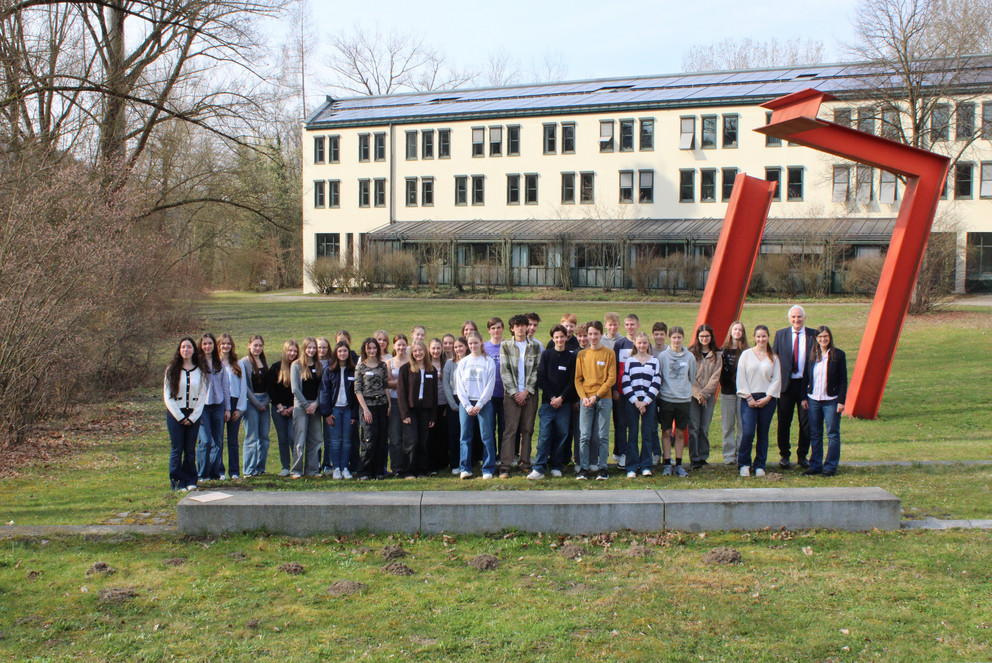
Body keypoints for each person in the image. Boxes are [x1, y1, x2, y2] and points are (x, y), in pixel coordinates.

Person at [529, 325, 577, 479]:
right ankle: (539, 467)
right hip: (547, 404)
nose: (559, 340)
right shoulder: (547, 355)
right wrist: (552, 398)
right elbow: (541, 378)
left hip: (564, 404)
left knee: (562, 434)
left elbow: (572, 381)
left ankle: (556, 465)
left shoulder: (570, 357)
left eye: (562, 337)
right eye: (556, 337)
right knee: (544, 435)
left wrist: (561, 398)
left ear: (566, 337)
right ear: (552, 338)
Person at [772, 305, 816, 469]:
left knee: (806, 423)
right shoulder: (781, 335)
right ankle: (784, 455)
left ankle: (802, 455)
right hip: (786, 386)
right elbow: (774, 360)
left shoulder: (813, 335)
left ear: (804, 318)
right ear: (789, 319)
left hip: (805, 385)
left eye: (799, 317)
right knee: (784, 422)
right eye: (793, 317)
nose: (796, 320)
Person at [498, 314, 541, 478]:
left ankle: (525, 463)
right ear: (512, 328)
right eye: (518, 325)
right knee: (510, 430)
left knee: (527, 430)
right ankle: (505, 465)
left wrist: (526, 391)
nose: (522, 328)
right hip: (511, 395)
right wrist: (516, 392)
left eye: (524, 325)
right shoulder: (506, 346)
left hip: (530, 394)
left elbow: (537, 370)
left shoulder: (535, 346)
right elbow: (505, 371)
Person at [736, 325, 782, 477]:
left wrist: (768, 398)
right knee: (748, 433)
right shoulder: (746, 355)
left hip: (767, 400)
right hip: (748, 398)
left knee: (763, 433)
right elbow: (741, 377)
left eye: (764, 336)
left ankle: (760, 465)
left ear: (768, 337)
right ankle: (744, 464)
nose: (761, 339)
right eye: (758, 336)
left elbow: (776, 379)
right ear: (754, 338)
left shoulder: (773, 357)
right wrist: (749, 397)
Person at [574, 320, 616, 480]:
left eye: (595, 334)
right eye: (589, 334)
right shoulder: (582, 354)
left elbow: (611, 378)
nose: (592, 337)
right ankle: (583, 468)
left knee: (602, 435)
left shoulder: (609, 353)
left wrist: (597, 396)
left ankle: (603, 468)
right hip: (586, 400)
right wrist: (584, 397)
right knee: (584, 435)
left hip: (603, 399)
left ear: (601, 334)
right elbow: (578, 379)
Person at [802, 326, 847, 477]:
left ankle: (830, 466)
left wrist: (841, 401)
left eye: (826, 336)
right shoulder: (812, 355)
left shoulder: (838, 355)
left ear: (830, 337)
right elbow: (806, 377)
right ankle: (815, 465)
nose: (823, 339)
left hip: (831, 400)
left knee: (832, 433)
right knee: (815, 433)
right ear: (816, 338)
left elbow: (843, 380)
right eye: (820, 337)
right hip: (814, 399)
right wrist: (804, 397)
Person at [164, 337, 208, 491]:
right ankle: (177, 482)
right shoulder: (172, 369)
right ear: (179, 350)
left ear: (194, 350)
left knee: (190, 449)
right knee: (177, 449)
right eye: (183, 347)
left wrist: (193, 417)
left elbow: (203, 395)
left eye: (189, 347)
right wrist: (180, 417)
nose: (186, 350)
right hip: (176, 413)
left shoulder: (200, 370)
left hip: (193, 414)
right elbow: (168, 396)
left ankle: (190, 480)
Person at [455, 331, 497, 480]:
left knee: (487, 436)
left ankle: (488, 468)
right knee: (465, 436)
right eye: (470, 343)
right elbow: (459, 386)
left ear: (481, 343)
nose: (473, 346)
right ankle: (465, 468)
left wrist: (479, 405)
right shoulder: (463, 363)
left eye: (475, 343)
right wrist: (467, 406)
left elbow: (490, 386)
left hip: (483, 403)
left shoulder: (488, 361)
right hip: (466, 404)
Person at [620, 332, 661, 478]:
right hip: (633, 402)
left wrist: (646, 401)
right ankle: (631, 467)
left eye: (645, 343)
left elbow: (656, 382)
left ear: (648, 344)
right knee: (633, 433)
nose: (642, 346)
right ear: (635, 344)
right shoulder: (630, 361)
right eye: (639, 343)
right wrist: (636, 402)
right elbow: (626, 382)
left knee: (647, 434)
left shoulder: (654, 361)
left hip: (648, 402)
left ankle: (646, 465)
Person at [657, 326, 696, 477]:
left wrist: (684, 391)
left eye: (679, 337)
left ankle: (679, 465)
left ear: (683, 338)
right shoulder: (663, 356)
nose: (676, 340)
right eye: (674, 337)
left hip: (683, 400)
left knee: (679, 433)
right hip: (667, 399)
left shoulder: (689, 357)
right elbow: (659, 377)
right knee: (666, 432)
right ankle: (667, 463)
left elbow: (692, 377)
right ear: (669, 338)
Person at [397, 340, 437, 478]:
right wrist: (404, 414)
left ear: (425, 351)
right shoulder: (405, 369)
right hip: (411, 411)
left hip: (425, 410)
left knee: (422, 442)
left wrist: (433, 416)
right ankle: (408, 470)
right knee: (411, 442)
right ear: (411, 353)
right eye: (415, 351)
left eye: (420, 350)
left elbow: (434, 395)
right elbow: (401, 393)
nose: (418, 353)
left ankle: (421, 470)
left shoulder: (432, 369)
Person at [319, 340, 358, 479]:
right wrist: (327, 413)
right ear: (336, 353)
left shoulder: (353, 369)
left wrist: (354, 414)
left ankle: (345, 467)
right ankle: (336, 467)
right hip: (334, 410)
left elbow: (356, 393)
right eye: (340, 351)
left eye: (345, 351)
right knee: (335, 441)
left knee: (347, 440)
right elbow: (324, 392)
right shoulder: (329, 369)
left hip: (348, 410)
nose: (342, 353)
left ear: (349, 353)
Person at [353, 337, 390, 480]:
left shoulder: (382, 366)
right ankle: (364, 471)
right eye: (369, 348)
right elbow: (358, 390)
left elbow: (385, 386)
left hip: (382, 405)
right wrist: (365, 409)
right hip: (367, 407)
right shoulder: (361, 367)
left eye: (374, 348)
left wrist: (389, 405)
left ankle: (379, 471)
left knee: (381, 439)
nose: (372, 351)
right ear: (365, 350)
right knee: (369, 439)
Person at [196, 333, 230, 481]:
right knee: (205, 441)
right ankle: (202, 474)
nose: (207, 346)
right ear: (201, 346)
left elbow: (225, 388)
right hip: (202, 407)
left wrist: (227, 408)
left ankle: (214, 473)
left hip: (218, 406)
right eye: (204, 344)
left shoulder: (219, 364)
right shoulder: (197, 364)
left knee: (218, 441)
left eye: (210, 343)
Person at [688, 324, 722, 470]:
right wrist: (697, 394)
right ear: (697, 337)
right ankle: (694, 458)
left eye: (707, 336)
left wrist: (705, 394)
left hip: (708, 397)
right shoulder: (690, 354)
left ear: (711, 337)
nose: (704, 339)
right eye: (701, 336)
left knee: (704, 427)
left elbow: (716, 377)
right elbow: (688, 376)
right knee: (693, 427)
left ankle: (703, 457)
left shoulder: (717, 355)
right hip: (693, 397)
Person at [290, 337, 324, 478]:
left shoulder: (319, 365)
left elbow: (322, 388)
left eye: (314, 348)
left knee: (315, 439)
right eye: (309, 348)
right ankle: (296, 470)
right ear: (304, 349)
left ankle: (312, 470)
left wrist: (315, 404)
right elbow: (295, 389)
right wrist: (306, 405)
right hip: (300, 406)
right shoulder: (296, 365)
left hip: (315, 406)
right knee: (300, 439)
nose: (312, 350)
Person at [239, 335, 271, 477]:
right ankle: (249, 469)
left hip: (265, 401)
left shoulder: (265, 362)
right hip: (251, 402)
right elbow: (244, 387)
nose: (257, 348)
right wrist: (257, 403)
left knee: (264, 437)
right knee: (252, 437)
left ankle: (260, 468)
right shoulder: (244, 363)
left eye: (260, 346)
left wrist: (265, 401)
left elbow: (270, 384)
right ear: (249, 346)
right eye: (255, 345)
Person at [612, 313, 640, 469]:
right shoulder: (620, 344)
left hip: (637, 393)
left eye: (633, 324)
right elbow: (615, 368)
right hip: (621, 392)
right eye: (627, 324)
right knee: (621, 424)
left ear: (638, 325)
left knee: (634, 425)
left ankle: (633, 452)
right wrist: (615, 389)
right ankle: (622, 453)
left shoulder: (641, 343)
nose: (630, 327)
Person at [267, 339, 299, 477]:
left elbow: (300, 389)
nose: (292, 353)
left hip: (295, 408)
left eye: (295, 351)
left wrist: (292, 407)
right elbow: (271, 390)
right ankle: (285, 467)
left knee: (293, 438)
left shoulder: (299, 368)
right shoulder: (275, 368)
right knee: (283, 439)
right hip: (278, 409)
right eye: (290, 350)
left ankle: (295, 466)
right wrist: (280, 407)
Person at [719, 322, 748, 466]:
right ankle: (729, 456)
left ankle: (740, 455)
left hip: (743, 393)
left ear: (743, 333)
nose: (737, 332)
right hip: (727, 392)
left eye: (740, 330)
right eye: (735, 329)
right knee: (728, 426)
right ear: (731, 331)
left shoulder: (747, 351)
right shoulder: (723, 351)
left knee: (742, 426)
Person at [218, 333, 245, 480]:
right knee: (219, 439)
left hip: (235, 403)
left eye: (228, 343)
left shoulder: (238, 364)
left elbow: (243, 386)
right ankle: (220, 471)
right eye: (223, 343)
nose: (226, 346)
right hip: (219, 403)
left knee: (233, 440)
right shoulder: (216, 364)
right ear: (219, 346)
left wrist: (240, 409)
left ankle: (234, 471)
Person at [442, 336, 469, 474]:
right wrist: (453, 404)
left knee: (467, 433)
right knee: (454, 433)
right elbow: (446, 385)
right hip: (453, 400)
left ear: (466, 347)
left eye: (461, 346)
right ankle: (454, 464)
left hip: (469, 400)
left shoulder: (471, 362)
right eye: (456, 347)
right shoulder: (449, 363)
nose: (458, 349)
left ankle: (467, 461)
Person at [386, 333, 410, 477]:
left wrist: (397, 383)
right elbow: (386, 383)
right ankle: (396, 468)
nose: (401, 347)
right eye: (398, 344)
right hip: (394, 402)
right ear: (394, 346)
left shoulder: (411, 361)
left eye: (403, 344)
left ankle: (407, 466)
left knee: (408, 436)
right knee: (395, 437)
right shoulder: (389, 362)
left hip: (408, 403)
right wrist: (403, 383)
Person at [484, 317, 506, 456]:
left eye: (498, 327)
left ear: (503, 329)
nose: (496, 330)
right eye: (493, 328)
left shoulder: (508, 345)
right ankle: (491, 456)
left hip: (505, 394)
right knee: (490, 428)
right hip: (489, 395)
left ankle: (503, 456)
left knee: (504, 428)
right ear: (489, 330)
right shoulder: (484, 347)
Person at [427, 338, 449, 473]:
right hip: (430, 405)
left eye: (438, 348)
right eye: (433, 348)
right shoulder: (426, 364)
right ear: (429, 349)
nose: (436, 351)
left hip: (444, 403)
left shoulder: (446, 364)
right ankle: (432, 463)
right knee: (431, 435)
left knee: (443, 434)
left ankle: (443, 462)